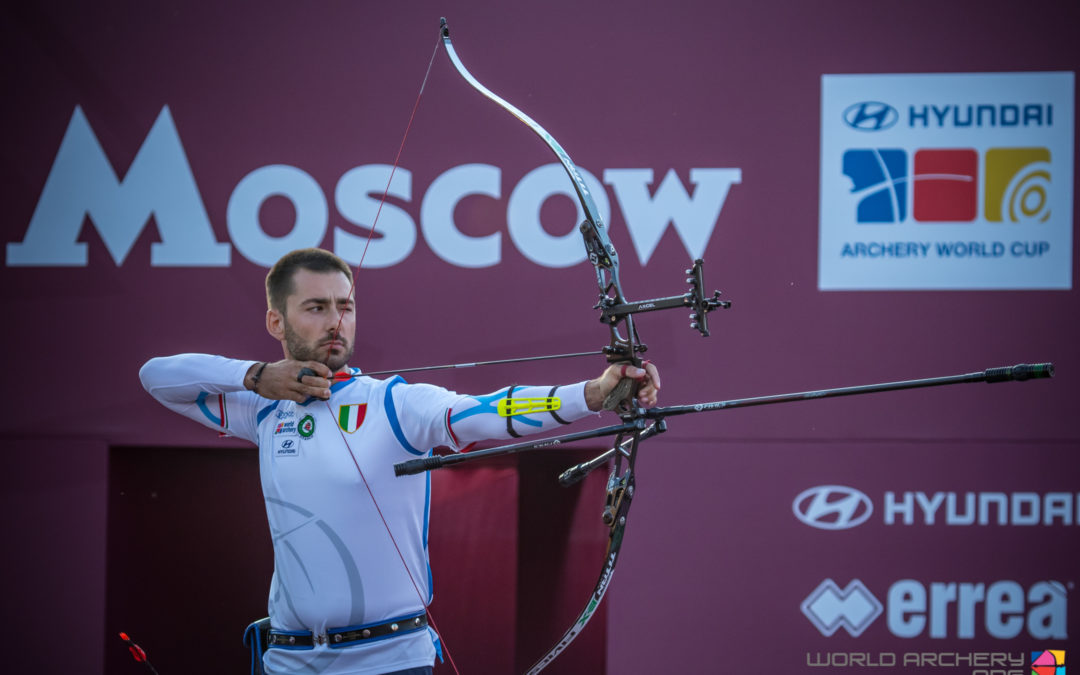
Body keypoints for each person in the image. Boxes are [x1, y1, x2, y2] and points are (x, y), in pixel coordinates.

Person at [139, 247, 660, 675]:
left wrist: (591, 394)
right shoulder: (264, 410)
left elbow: (488, 410)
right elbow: (158, 377)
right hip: (288, 662)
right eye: (316, 307)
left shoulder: (395, 404)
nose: (336, 321)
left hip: (389, 663)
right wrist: (256, 376)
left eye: (346, 306)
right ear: (277, 320)